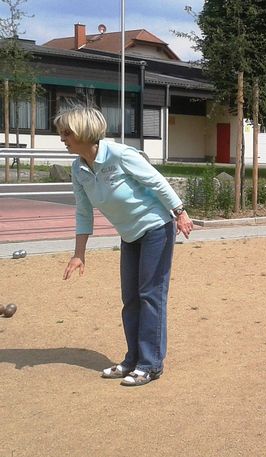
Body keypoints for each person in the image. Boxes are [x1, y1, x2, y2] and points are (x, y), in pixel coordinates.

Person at [57, 105, 194, 387]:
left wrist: (180, 212)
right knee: (130, 298)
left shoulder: (119, 154)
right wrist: (78, 253)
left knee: (150, 295)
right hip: (129, 234)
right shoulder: (79, 168)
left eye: (67, 132)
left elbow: (156, 181)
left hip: (156, 227)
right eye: (62, 132)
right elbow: (83, 212)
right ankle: (133, 359)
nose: (62, 138)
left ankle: (150, 364)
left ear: (84, 131)